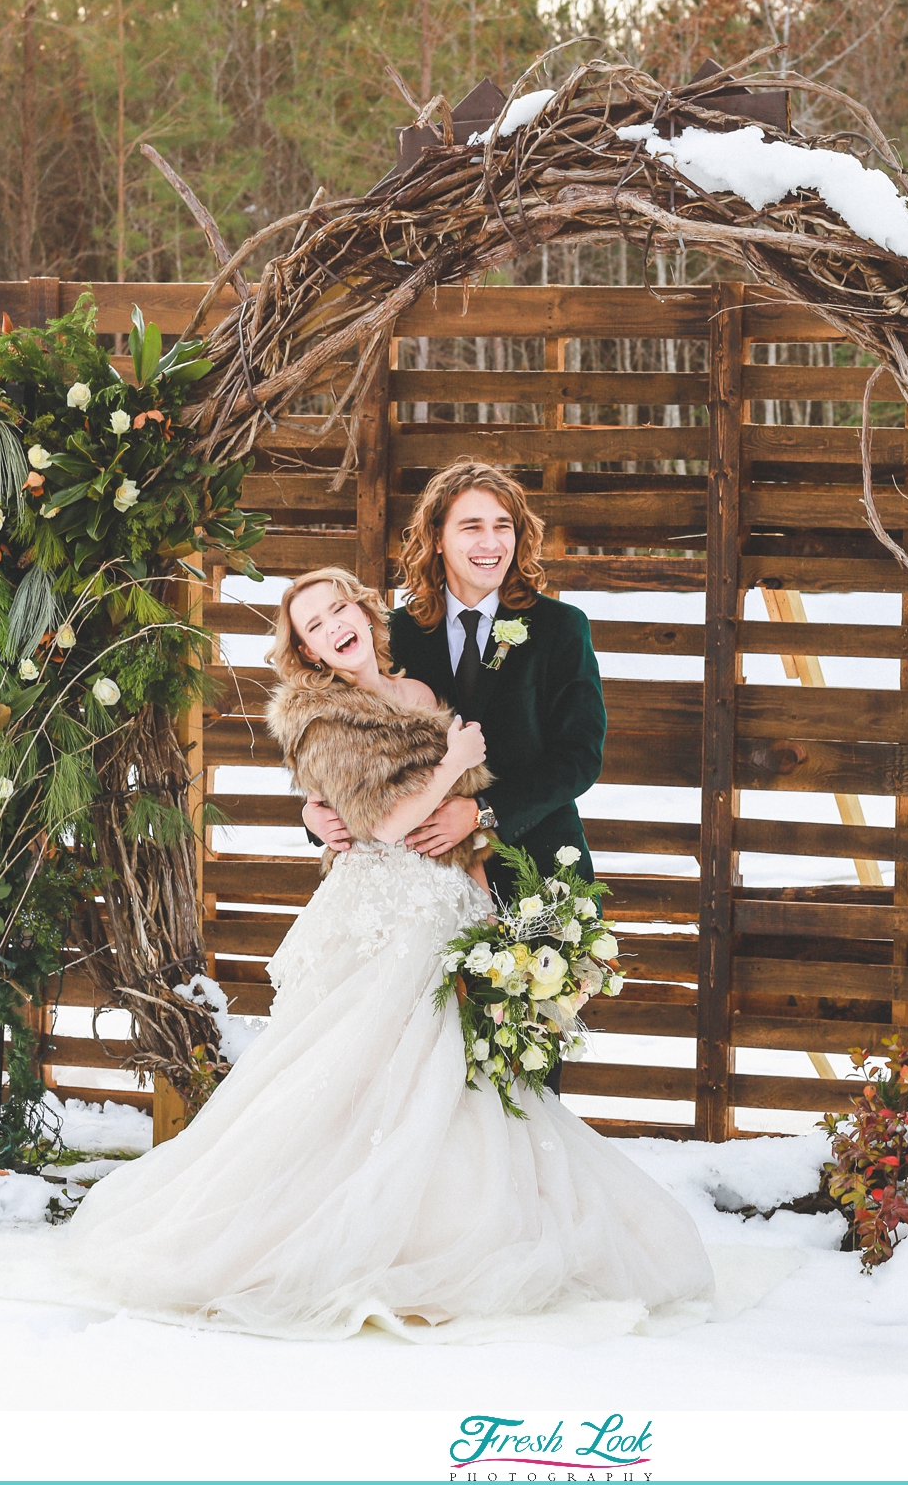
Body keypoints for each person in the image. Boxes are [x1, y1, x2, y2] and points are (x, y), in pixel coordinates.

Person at [64, 568, 714, 1341]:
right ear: (303, 648)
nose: (334, 625)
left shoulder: (414, 690)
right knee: (363, 1067)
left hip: (448, 902)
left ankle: (456, 1233)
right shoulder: (320, 715)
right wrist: (448, 761)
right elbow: (380, 823)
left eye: (340, 607)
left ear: (366, 612)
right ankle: (324, 1240)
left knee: (457, 1081)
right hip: (383, 908)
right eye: (313, 623)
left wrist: (484, 897)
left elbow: (467, 815)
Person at [303, 460, 607, 909]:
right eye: (471, 527)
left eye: (503, 526)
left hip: (541, 873)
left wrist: (483, 811)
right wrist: (315, 815)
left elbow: (579, 756)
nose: (491, 542)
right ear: (437, 538)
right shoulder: (392, 633)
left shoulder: (560, 628)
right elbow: (344, 733)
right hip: (421, 888)